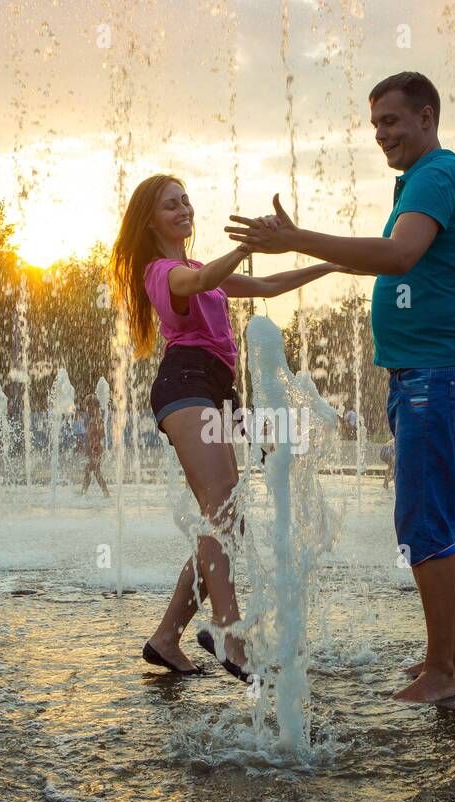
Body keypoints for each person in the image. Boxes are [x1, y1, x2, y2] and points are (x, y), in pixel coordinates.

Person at [228, 71, 455, 703]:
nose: (381, 135)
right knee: (449, 519)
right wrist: (309, 253)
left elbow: (398, 255)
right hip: (440, 372)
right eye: (375, 124)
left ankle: (439, 672)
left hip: (436, 376)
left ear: (427, 118)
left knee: (424, 518)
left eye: (392, 122)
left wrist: (294, 237)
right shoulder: (431, 180)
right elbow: (386, 255)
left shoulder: (435, 176)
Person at [111, 173, 346, 680]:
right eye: (170, 205)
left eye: (186, 200)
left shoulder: (198, 266)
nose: (184, 209)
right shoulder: (162, 272)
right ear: (149, 220)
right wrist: (243, 247)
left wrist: (332, 264)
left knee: (226, 517)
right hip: (187, 384)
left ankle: (166, 637)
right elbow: (197, 284)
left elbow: (267, 285)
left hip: (218, 391)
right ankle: (228, 632)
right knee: (222, 511)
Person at [81, 395, 110, 498]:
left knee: (90, 471)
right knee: (94, 472)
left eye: (88, 407)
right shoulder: (95, 418)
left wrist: (95, 448)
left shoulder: (97, 419)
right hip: (95, 449)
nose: (87, 409)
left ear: (93, 406)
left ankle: (84, 493)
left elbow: (100, 435)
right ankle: (105, 493)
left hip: (95, 450)